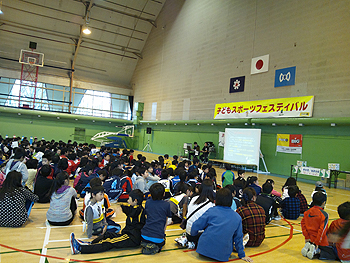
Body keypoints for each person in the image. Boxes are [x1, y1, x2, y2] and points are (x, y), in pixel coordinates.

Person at [70, 189, 146, 254]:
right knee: (107, 234)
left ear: (135, 201)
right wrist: (120, 207)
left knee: (109, 243)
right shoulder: (134, 207)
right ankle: (90, 243)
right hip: (127, 234)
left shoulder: (139, 210)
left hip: (132, 238)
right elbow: (128, 208)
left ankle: (80, 248)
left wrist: (122, 208)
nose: (127, 200)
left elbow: (132, 211)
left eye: (129, 198)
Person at [191, 188, 253, 262]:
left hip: (203, 251)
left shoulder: (211, 211)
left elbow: (195, 226)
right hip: (222, 255)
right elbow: (238, 238)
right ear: (231, 200)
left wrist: (193, 237)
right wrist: (242, 255)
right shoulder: (237, 217)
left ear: (216, 200)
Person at [175, 179, 215, 249]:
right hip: (197, 234)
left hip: (188, 231)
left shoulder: (194, 198)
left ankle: (188, 241)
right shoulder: (211, 204)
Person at [140, 183, 172, 254]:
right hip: (158, 238)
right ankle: (155, 246)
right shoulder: (166, 204)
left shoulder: (147, 202)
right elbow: (166, 221)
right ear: (163, 194)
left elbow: (147, 216)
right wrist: (163, 234)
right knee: (162, 241)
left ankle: (147, 244)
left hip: (143, 236)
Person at [301, 192, 329, 259]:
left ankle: (309, 246)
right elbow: (322, 230)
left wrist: (307, 237)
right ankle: (317, 250)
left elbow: (303, 224)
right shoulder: (324, 214)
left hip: (309, 238)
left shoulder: (307, 212)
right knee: (332, 253)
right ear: (323, 203)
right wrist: (317, 242)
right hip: (319, 241)